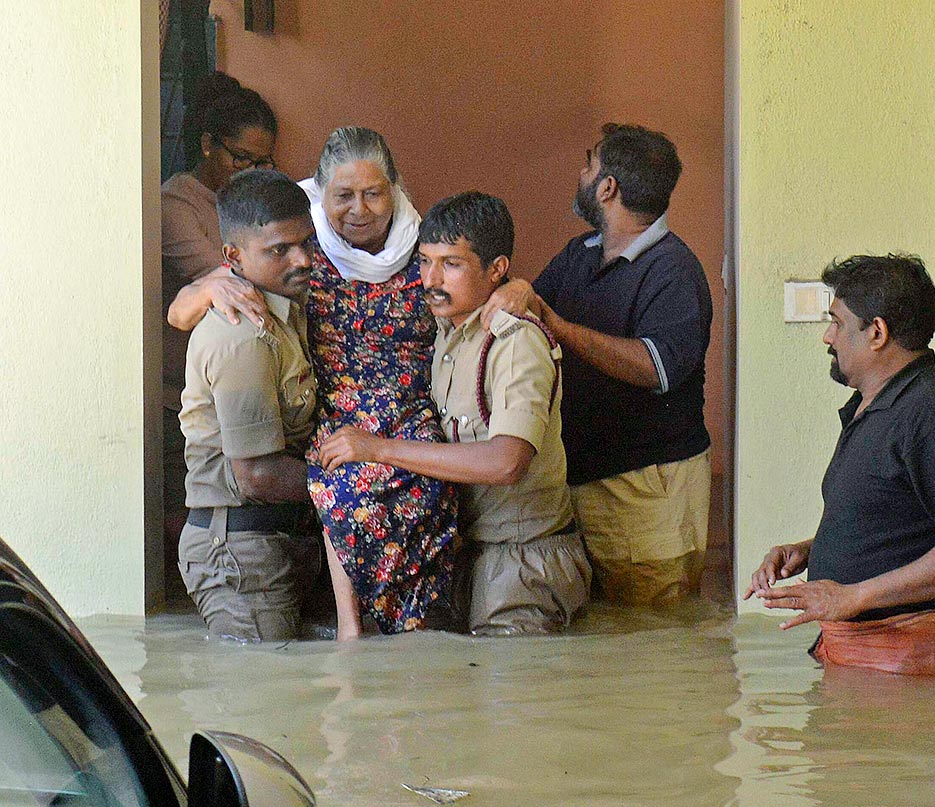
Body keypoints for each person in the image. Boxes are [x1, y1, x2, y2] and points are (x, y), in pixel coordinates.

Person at [170, 127, 457, 641]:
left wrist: (522, 293)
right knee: (271, 681)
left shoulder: (424, 255)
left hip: (339, 493)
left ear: (396, 189)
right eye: (343, 195)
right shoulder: (261, 297)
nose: (359, 209)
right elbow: (255, 475)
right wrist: (363, 480)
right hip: (293, 502)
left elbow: (483, 287)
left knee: (391, 661)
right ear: (320, 195)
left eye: (374, 193)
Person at [319, 192, 590, 635]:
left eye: (452, 263)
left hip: (524, 560)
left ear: (497, 270)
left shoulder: (514, 342)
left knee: (517, 695)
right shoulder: (446, 332)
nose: (431, 278)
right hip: (467, 554)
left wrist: (380, 449)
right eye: (425, 261)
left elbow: (506, 462)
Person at [744, 254, 935, 676]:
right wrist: (811, 550)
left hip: (907, 660)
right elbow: (897, 523)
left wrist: (852, 597)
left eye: (836, 322)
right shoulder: (876, 406)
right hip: (865, 660)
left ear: (877, 332)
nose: (827, 337)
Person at [483, 123, 713, 607]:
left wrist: (563, 328)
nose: (581, 172)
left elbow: (657, 368)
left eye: (589, 164)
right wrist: (519, 291)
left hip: (645, 494)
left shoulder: (675, 270)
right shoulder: (580, 252)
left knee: (655, 642)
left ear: (607, 187)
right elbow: (534, 314)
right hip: (578, 483)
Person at [177, 169, 321, 642]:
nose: (302, 259)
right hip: (239, 552)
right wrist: (361, 484)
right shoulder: (242, 332)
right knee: (261, 703)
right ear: (233, 257)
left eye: (307, 241)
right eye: (280, 250)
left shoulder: (287, 306)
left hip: (274, 541)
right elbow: (256, 475)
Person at [161, 74, 278, 595]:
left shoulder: (249, 201)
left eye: (263, 163)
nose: (250, 172)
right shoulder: (176, 205)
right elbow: (226, 281)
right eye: (241, 158)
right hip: (182, 395)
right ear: (207, 144)